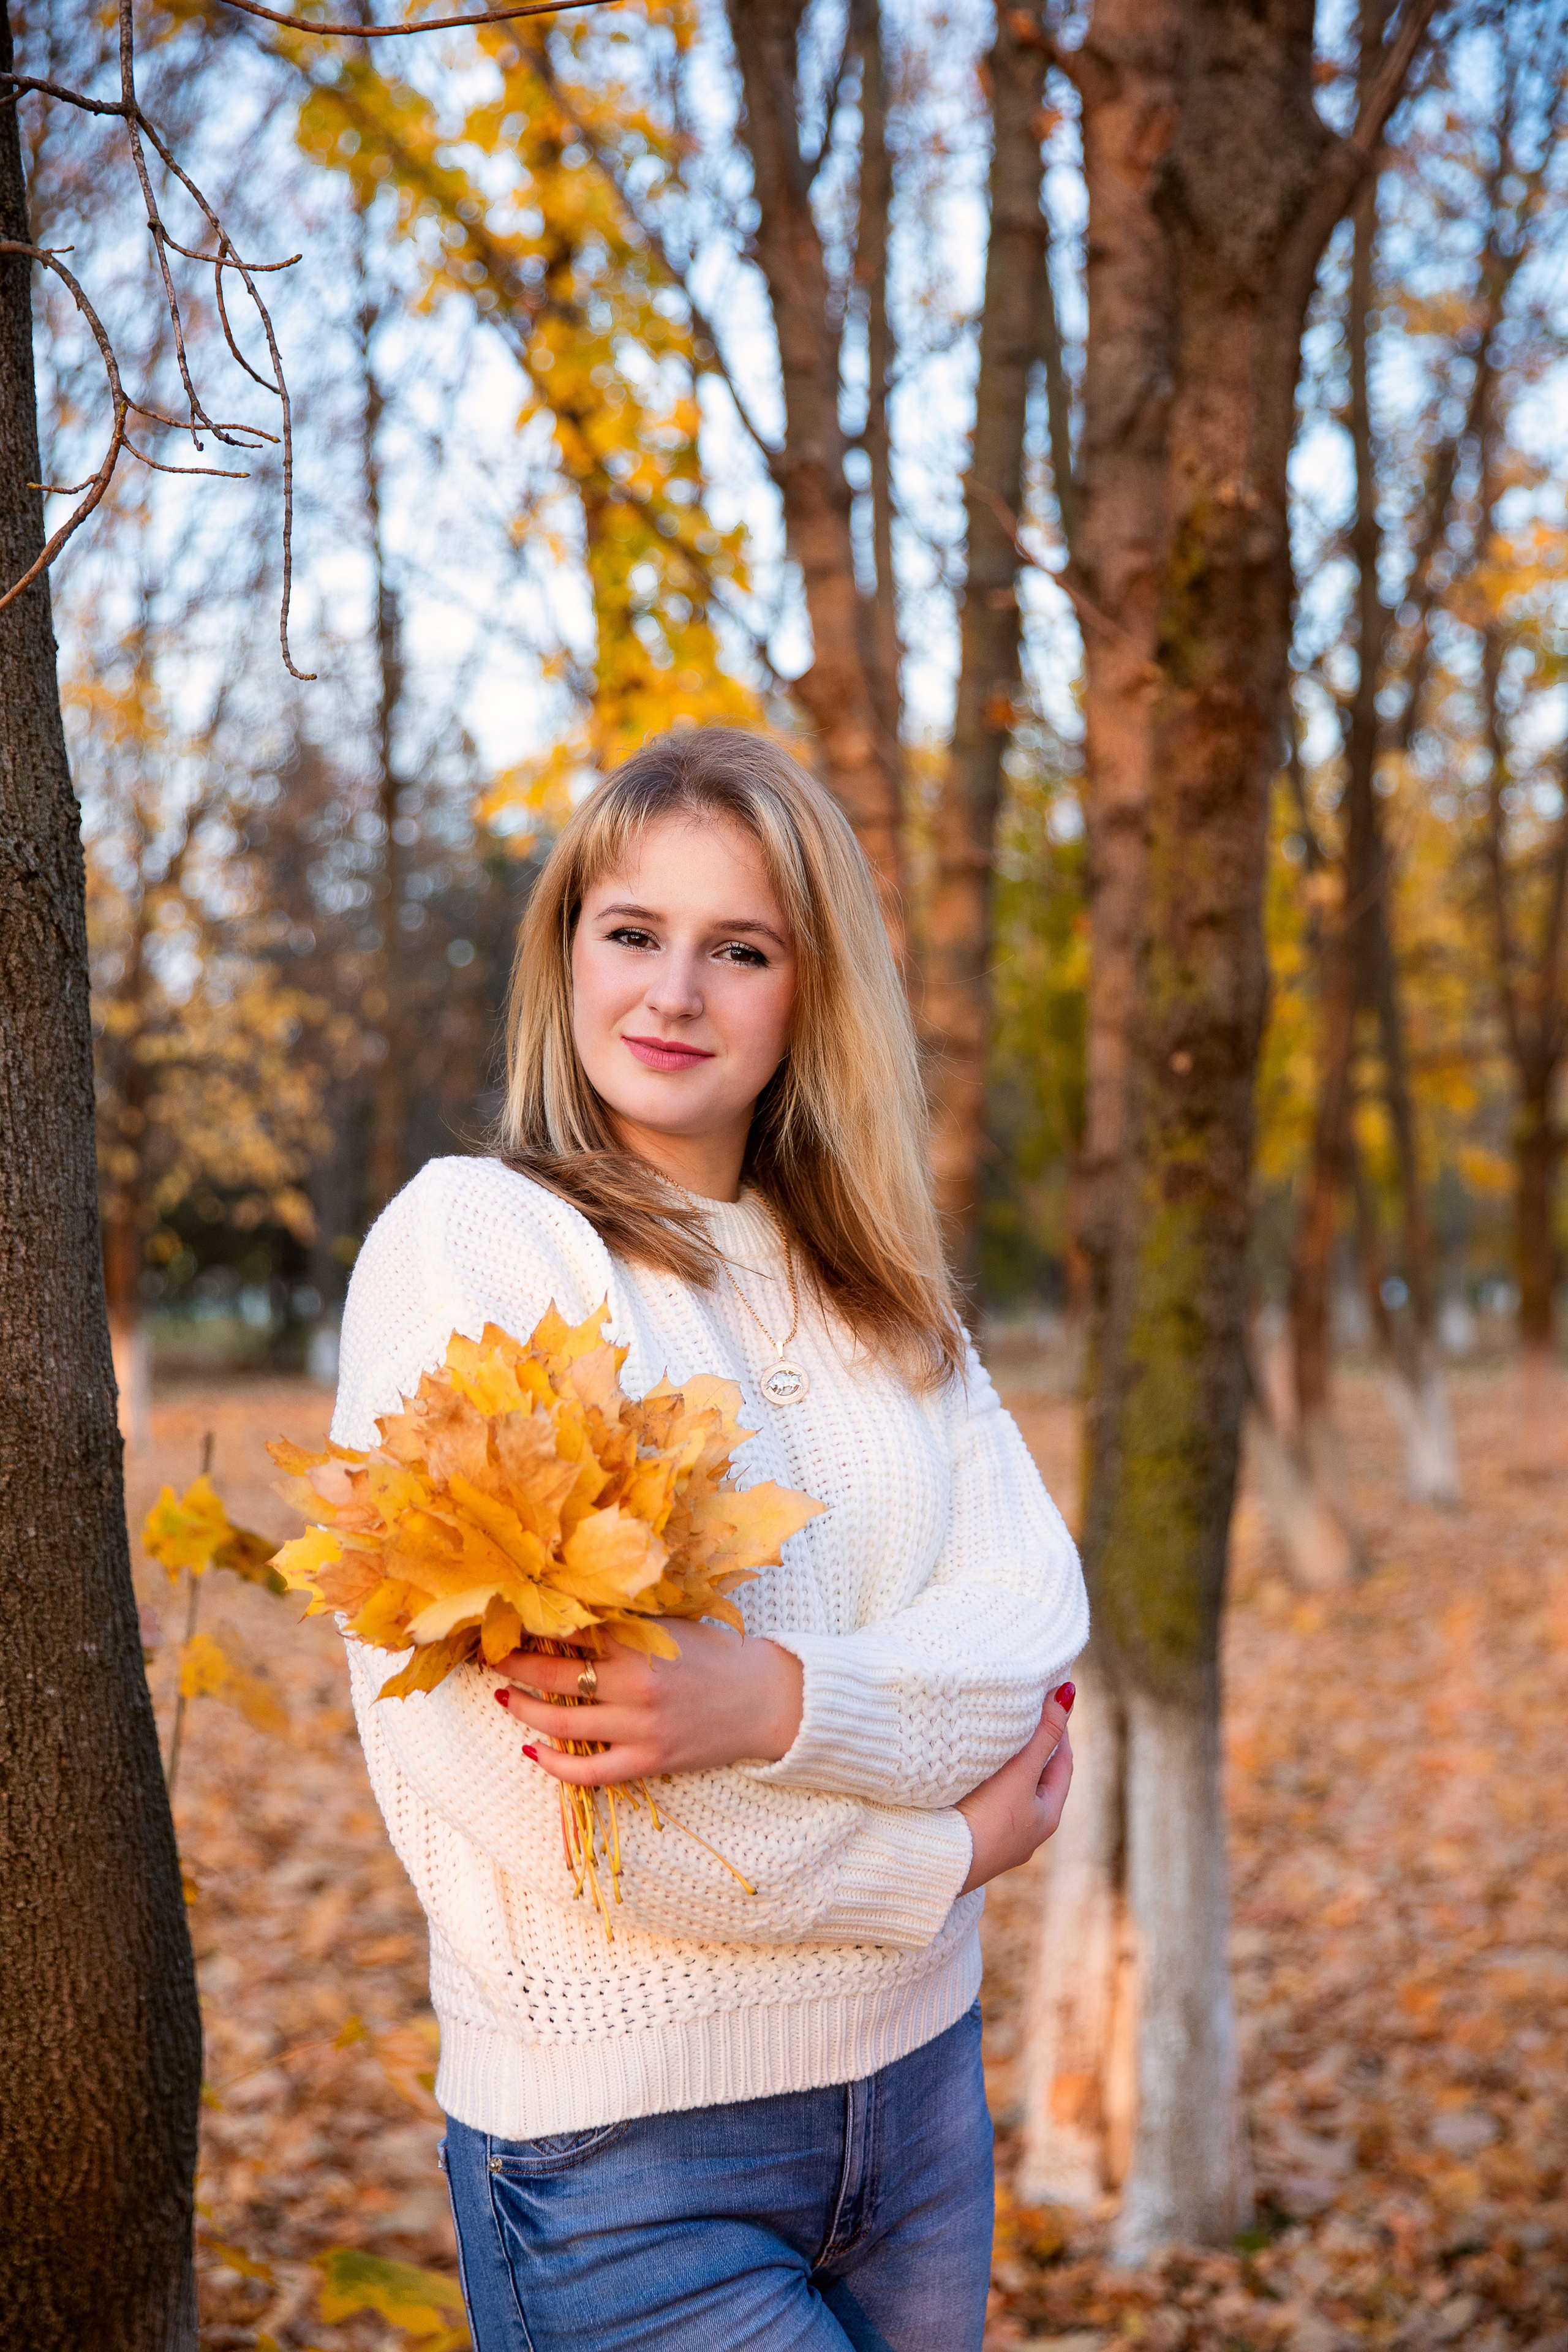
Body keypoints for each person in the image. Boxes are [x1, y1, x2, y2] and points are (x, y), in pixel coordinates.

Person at [331, 725, 1088, 2351]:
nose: (674, 994)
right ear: (567, 955)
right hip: (628, 2159)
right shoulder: (480, 1244)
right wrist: (937, 1858)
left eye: (739, 949)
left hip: (921, 2102)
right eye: (633, 933)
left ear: (811, 992)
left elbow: (1027, 1622)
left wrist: (777, 1704)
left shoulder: (870, 1279)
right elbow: (553, 1799)